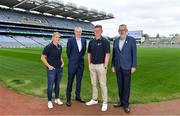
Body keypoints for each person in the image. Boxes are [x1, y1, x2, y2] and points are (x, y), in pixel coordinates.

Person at [112, 24, 137, 113]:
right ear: (118, 31)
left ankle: (126, 104)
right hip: (118, 66)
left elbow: (134, 54)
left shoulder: (131, 40)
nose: (121, 31)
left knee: (126, 86)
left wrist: (134, 66)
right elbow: (114, 55)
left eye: (123, 30)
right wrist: (113, 65)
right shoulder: (115, 41)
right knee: (120, 85)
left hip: (127, 67)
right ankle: (121, 102)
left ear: (126, 30)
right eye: (120, 30)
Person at [86, 25, 110, 112]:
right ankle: (94, 99)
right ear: (94, 31)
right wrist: (89, 64)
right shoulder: (91, 41)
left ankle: (105, 102)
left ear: (101, 31)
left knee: (103, 84)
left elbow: (107, 54)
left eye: (98, 30)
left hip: (101, 66)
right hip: (92, 65)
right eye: (95, 30)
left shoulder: (105, 41)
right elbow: (89, 53)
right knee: (94, 83)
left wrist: (106, 65)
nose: (97, 32)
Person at [41, 32, 64, 109]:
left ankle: (57, 99)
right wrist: (49, 66)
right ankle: (49, 101)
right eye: (57, 37)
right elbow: (42, 57)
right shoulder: (48, 47)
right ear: (53, 38)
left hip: (59, 69)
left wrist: (62, 62)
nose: (58, 39)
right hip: (52, 70)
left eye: (59, 37)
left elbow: (60, 55)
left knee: (57, 85)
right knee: (50, 86)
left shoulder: (60, 47)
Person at [66, 27, 87, 107]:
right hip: (72, 64)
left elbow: (83, 52)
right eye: (77, 32)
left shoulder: (84, 41)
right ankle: (68, 99)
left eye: (80, 32)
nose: (78, 33)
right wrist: (72, 60)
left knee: (79, 81)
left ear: (81, 32)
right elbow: (68, 53)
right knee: (70, 81)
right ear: (74, 32)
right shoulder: (70, 40)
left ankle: (77, 96)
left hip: (80, 65)